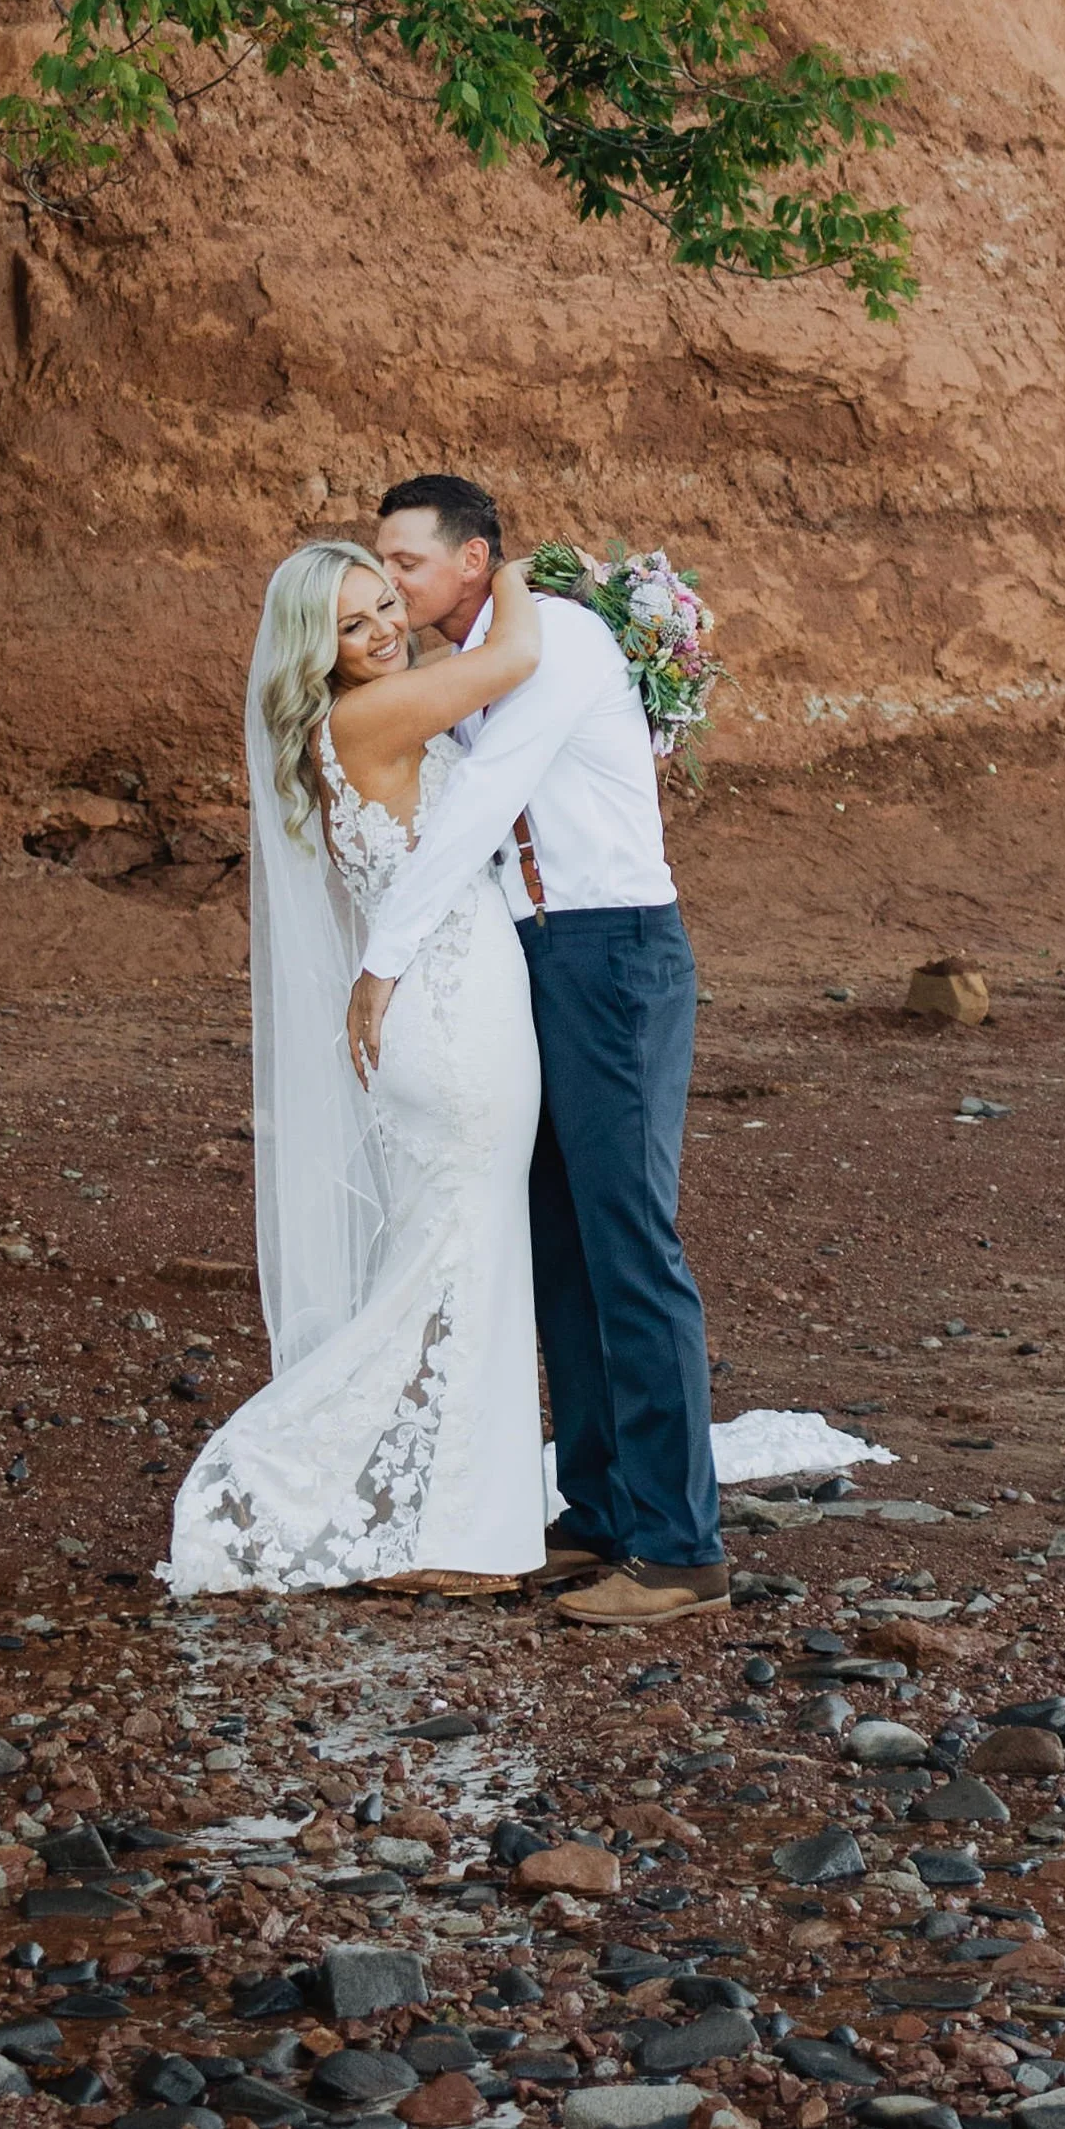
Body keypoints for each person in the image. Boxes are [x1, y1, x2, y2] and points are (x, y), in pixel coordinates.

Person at [355, 475, 725, 1628]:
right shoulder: (475, 661)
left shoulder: (555, 641)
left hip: (614, 953)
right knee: (559, 1239)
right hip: (544, 960)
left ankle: (681, 1552)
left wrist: (387, 956)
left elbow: (487, 802)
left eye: (405, 563)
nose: (389, 583)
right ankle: (603, 1509)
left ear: (472, 562)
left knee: (629, 1243)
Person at [161, 535, 549, 1598]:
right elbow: (515, 659)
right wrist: (511, 566)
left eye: (387, 604)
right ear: (316, 649)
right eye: (354, 622)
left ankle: (455, 1511)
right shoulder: (372, 714)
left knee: (456, 1260)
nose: (383, 627)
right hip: (453, 1017)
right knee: (458, 1263)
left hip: (448, 1011)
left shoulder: (367, 716)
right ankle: (313, 1483)